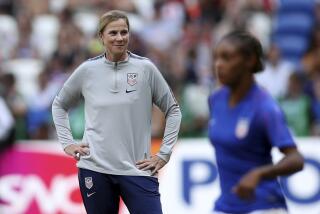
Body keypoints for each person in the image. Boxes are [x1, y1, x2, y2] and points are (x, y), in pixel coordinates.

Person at [52, 10, 181, 214]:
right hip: (95, 168)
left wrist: (164, 154)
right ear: (101, 36)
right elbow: (59, 105)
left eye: (124, 32)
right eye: (113, 33)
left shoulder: (145, 68)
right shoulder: (87, 70)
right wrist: (67, 142)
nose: (120, 38)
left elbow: (173, 110)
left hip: (138, 169)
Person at [208, 31, 304, 214]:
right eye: (216, 58)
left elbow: (296, 159)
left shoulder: (265, 107)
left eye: (227, 58)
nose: (218, 65)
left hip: (262, 204)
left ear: (249, 60)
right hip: (226, 205)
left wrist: (259, 173)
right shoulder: (215, 100)